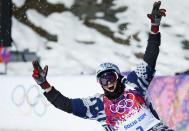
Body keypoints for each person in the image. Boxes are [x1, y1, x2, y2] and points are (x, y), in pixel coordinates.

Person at [32, 1, 173, 131]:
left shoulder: (134, 84)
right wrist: (44, 84)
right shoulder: (97, 105)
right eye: (104, 80)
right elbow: (65, 105)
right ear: (100, 84)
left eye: (111, 77)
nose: (109, 83)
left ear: (118, 77)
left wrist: (155, 27)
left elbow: (151, 56)